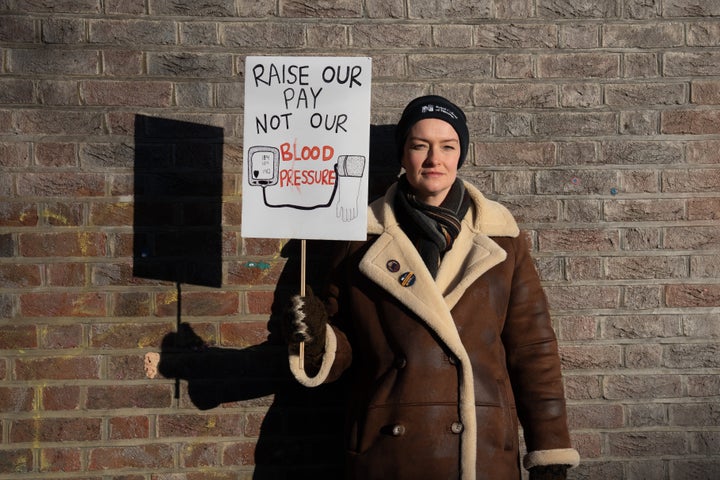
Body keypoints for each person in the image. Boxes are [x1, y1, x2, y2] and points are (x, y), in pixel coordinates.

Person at [283, 95, 580, 480]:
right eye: (419, 145)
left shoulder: (502, 240)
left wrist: (550, 450)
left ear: (461, 154)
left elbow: (533, 349)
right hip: (389, 452)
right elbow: (348, 347)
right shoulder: (359, 240)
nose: (433, 159)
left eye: (447, 146)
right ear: (403, 155)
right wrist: (319, 340)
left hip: (480, 451)